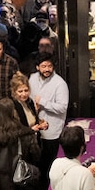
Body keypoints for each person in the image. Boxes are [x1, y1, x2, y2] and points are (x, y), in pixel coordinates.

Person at [27, 50, 69, 179]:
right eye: (44, 66)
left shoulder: (59, 83)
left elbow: (62, 107)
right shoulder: (32, 78)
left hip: (52, 132)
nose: (47, 69)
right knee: (37, 162)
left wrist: (43, 102)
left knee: (50, 164)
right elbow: (29, 96)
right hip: (35, 129)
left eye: (49, 66)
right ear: (37, 67)